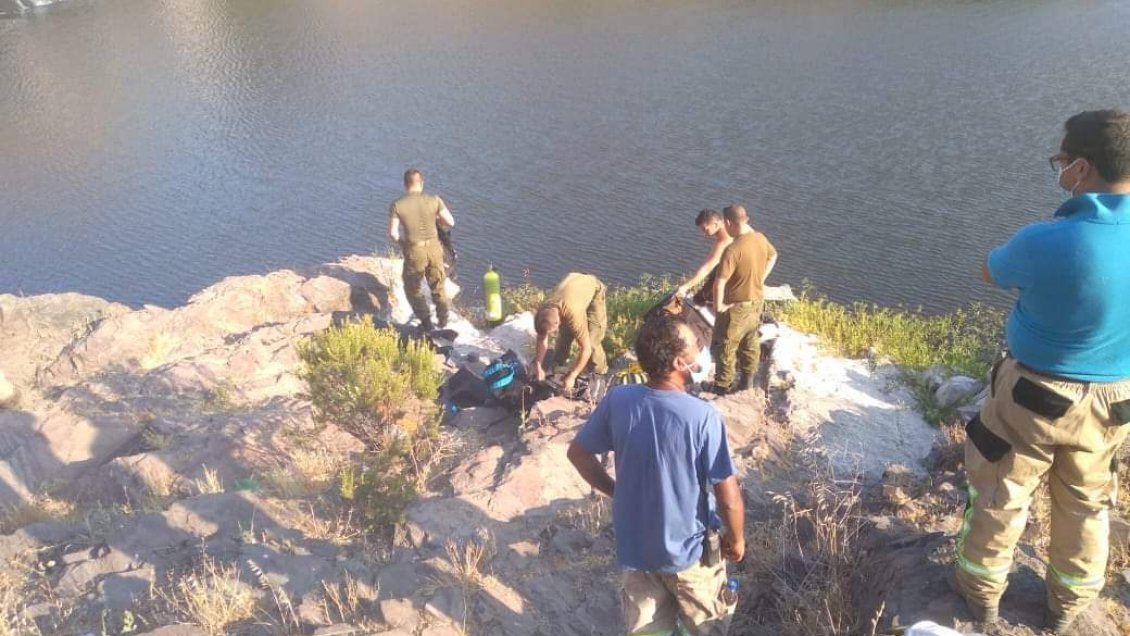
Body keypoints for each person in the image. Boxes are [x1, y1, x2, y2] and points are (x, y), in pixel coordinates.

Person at [952, 110, 1130, 633]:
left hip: (1034, 396)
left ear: (1080, 168)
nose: (1059, 170)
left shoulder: (1047, 239)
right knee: (1087, 505)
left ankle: (980, 595)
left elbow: (990, 270)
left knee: (1001, 493)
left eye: (1060, 160)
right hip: (1116, 400)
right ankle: (1068, 608)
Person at [567, 313, 745, 635]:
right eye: (695, 345)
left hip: (636, 551)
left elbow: (577, 453)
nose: (700, 349)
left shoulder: (618, 400)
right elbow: (728, 496)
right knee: (706, 626)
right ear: (680, 362)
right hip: (691, 557)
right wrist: (737, 539)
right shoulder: (702, 417)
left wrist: (614, 490)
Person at [706, 205, 777, 395]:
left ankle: (721, 387)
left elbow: (719, 283)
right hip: (756, 303)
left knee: (725, 346)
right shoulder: (760, 238)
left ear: (728, 222)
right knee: (750, 341)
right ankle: (747, 382)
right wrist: (761, 279)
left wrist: (718, 306)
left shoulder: (732, 250)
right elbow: (774, 256)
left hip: (736, 307)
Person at [388, 168, 456, 330]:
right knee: (438, 285)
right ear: (422, 183)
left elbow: (392, 233)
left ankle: (426, 321)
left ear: (405, 185)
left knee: (412, 287)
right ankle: (443, 320)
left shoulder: (397, 205)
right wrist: (436, 218)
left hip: (414, 250)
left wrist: (403, 244)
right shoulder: (434, 200)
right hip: (434, 248)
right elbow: (451, 222)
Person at [533, 272, 609, 393]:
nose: (551, 335)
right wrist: (538, 366)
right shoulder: (544, 311)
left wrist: (573, 375)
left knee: (593, 341)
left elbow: (586, 349)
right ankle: (558, 364)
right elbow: (541, 338)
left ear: (558, 322)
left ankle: (600, 373)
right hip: (572, 285)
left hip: (593, 289)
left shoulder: (573, 313)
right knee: (564, 336)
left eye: (552, 332)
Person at [674, 209, 733, 305]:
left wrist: (686, 287)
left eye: (706, 230)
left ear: (715, 224)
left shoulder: (723, 242)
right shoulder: (731, 224)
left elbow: (707, 268)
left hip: (738, 278)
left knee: (701, 298)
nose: (704, 234)